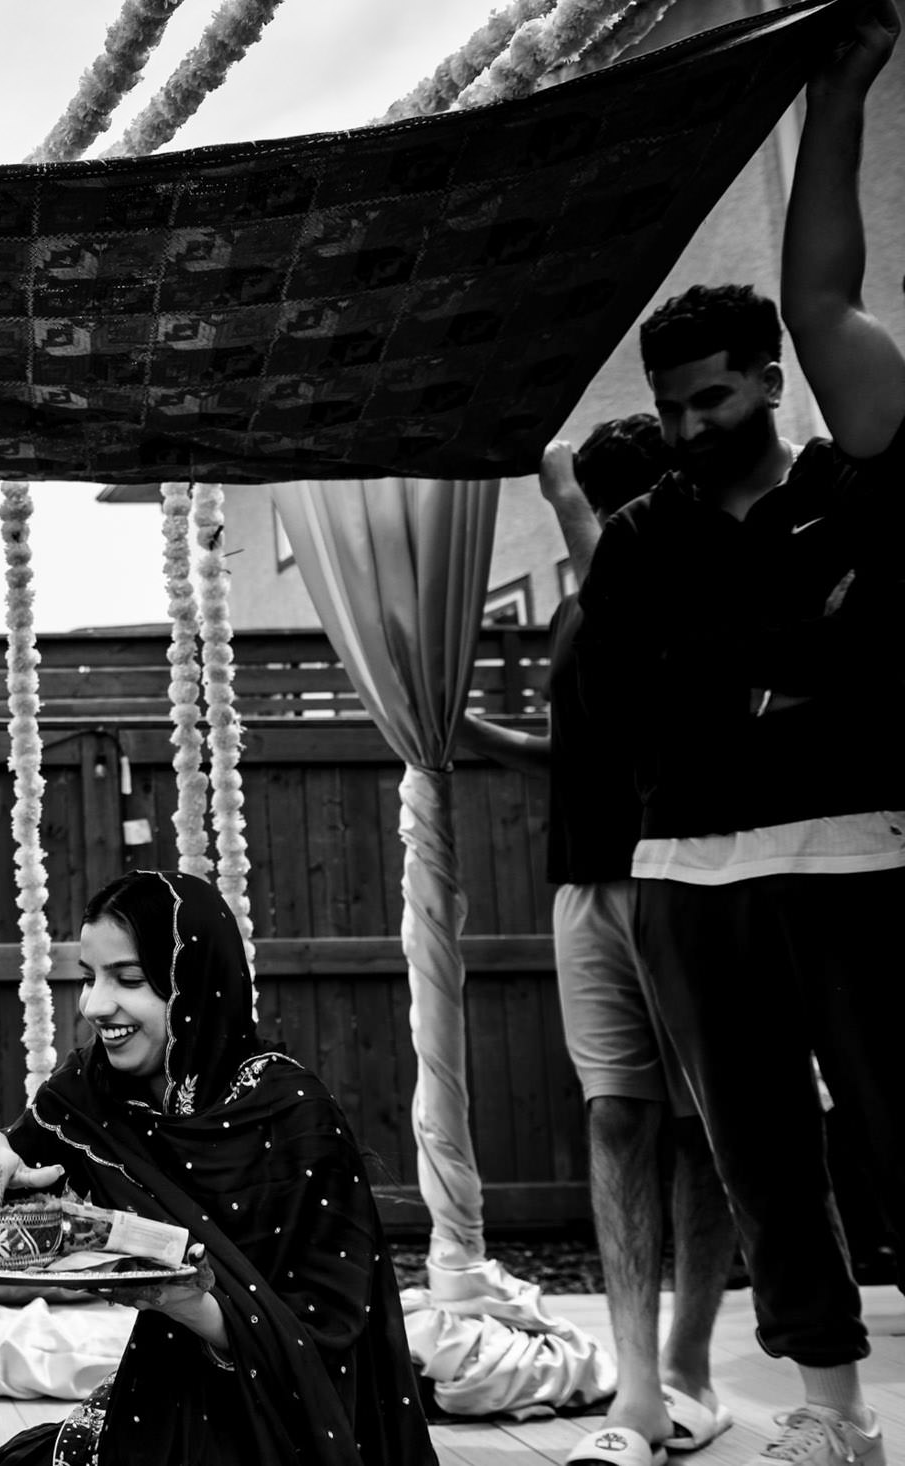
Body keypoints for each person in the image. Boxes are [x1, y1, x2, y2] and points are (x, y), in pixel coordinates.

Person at [574, 4, 905, 1463]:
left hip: (856, 857)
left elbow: (834, 296)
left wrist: (840, 100)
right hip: (688, 879)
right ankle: (827, 1416)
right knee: (762, 1160)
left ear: (769, 383)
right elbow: (635, 692)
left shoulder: (853, 479)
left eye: (714, 397)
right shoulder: (640, 532)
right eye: (671, 405)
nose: (693, 422)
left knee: (900, 1133)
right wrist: (802, 654)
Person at [0, 871, 435, 1466]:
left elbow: (330, 1338)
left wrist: (184, 1304)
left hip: (291, 1430)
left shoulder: (295, 1117)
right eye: (89, 978)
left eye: (129, 980)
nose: (95, 1005)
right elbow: (7, 1188)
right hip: (159, 1403)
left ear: (195, 985)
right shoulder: (91, 1092)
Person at [461, 419, 740, 1466]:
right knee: (618, 1118)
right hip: (584, 880)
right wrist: (477, 738)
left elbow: (564, 488)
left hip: (683, 870)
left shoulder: (666, 578)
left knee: (708, 1126)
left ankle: (691, 1368)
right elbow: (581, 750)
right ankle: (638, 1396)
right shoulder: (585, 616)